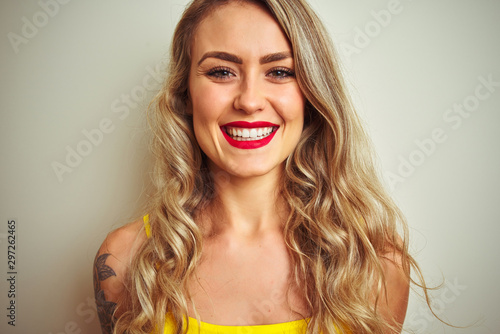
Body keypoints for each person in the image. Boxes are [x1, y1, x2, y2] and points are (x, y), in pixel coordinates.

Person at [93, 0, 424, 333]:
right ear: (185, 93)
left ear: (311, 95)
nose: (249, 101)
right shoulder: (125, 261)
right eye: (221, 71)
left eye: (279, 72)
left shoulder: (375, 263)